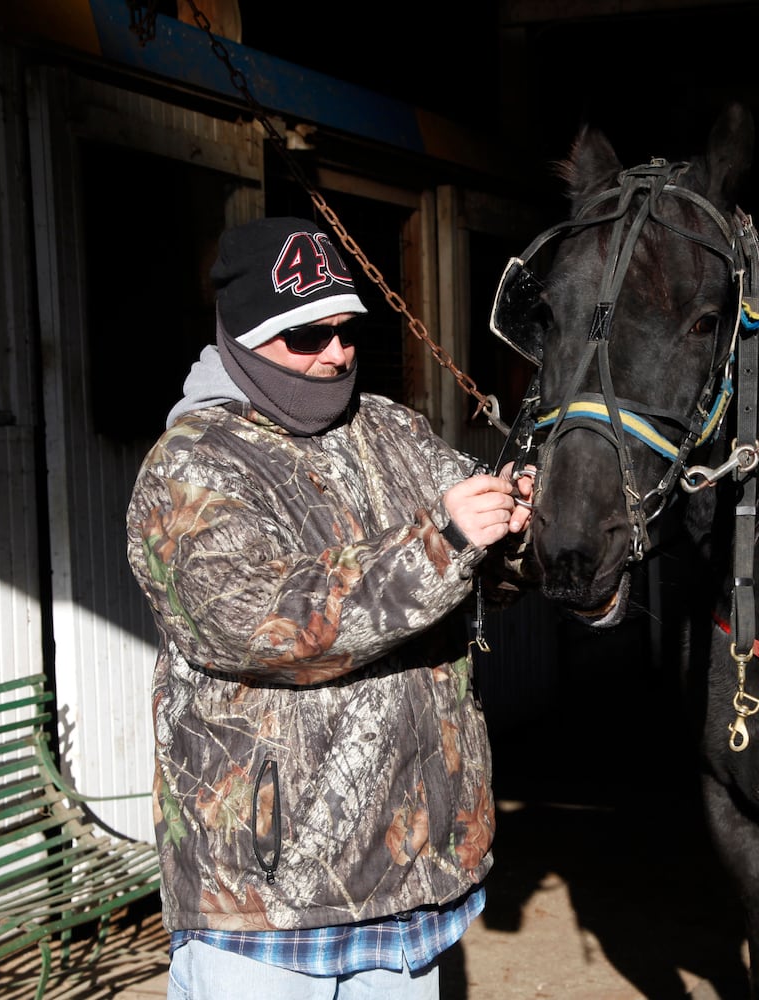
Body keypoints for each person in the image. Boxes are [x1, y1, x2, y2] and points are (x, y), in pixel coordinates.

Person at [125, 216, 534, 999]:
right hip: (264, 906)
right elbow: (257, 623)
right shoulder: (190, 463)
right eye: (307, 333)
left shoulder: (387, 429)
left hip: (406, 883)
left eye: (346, 330)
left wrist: (522, 524)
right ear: (244, 335)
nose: (336, 353)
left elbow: (483, 568)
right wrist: (444, 542)